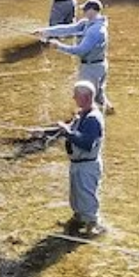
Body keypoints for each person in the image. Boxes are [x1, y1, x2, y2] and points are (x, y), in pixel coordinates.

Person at [50, 80, 105, 235]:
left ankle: (92, 227)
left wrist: (67, 132)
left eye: (76, 95)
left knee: (86, 197)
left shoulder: (92, 119)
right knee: (76, 197)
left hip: (87, 166)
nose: (73, 98)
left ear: (86, 97)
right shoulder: (83, 114)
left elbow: (87, 143)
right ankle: (78, 220)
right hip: (78, 164)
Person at [35, 0, 110, 111]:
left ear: (93, 11)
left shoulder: (95, 31)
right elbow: (67, 29)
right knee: (99, 95)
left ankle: (89, 122)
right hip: (98, 65)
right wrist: (45, 31)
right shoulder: (86, 23)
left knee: (87, 98)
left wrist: (58, 46)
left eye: (85, 9)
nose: (83, 12)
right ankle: (108, 112)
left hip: (91, 68)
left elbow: (80, 50)